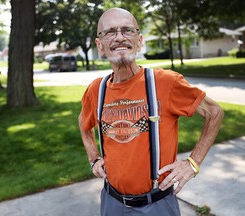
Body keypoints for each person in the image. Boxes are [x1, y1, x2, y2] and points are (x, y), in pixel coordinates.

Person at [78, 8, 224, 216]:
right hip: (111, 202)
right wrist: (93, 157)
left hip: (157, 205)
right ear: (100, 46)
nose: (119, 37)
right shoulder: (96, 90)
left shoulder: (165, 82)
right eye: (110, 32)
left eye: (127, 30)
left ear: (139, 41)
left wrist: (193, 163)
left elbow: (214, 112)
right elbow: (83, 124)